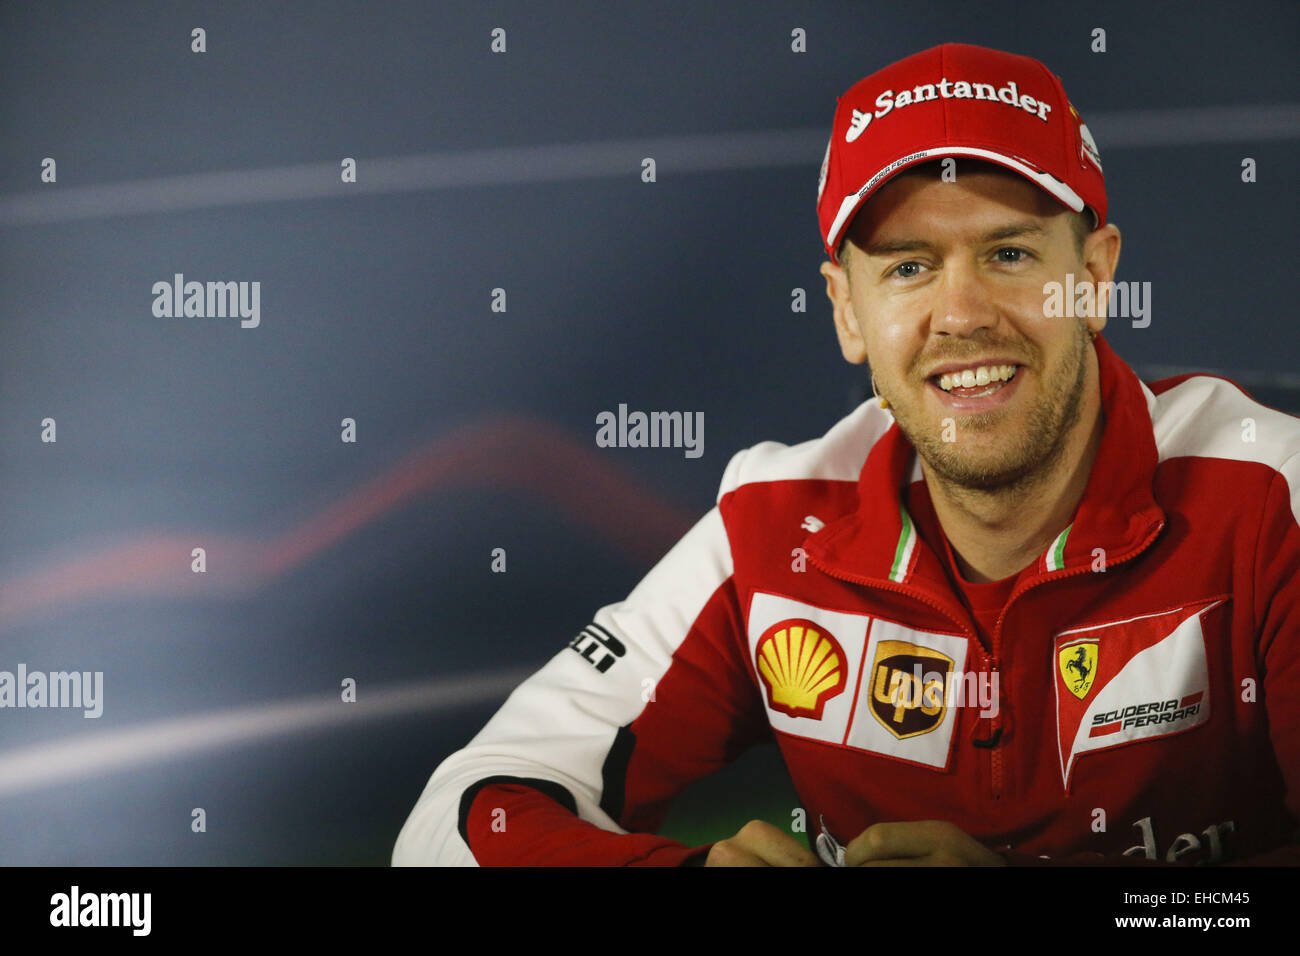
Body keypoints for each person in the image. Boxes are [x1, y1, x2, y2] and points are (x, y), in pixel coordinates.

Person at [392, 42, 1300, 866]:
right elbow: (455, 821)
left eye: (1011, 254)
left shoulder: (1271, 495)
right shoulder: (772, 521)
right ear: (846, 311)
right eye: (908, 267)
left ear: (1096, 277)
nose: (963, 314)